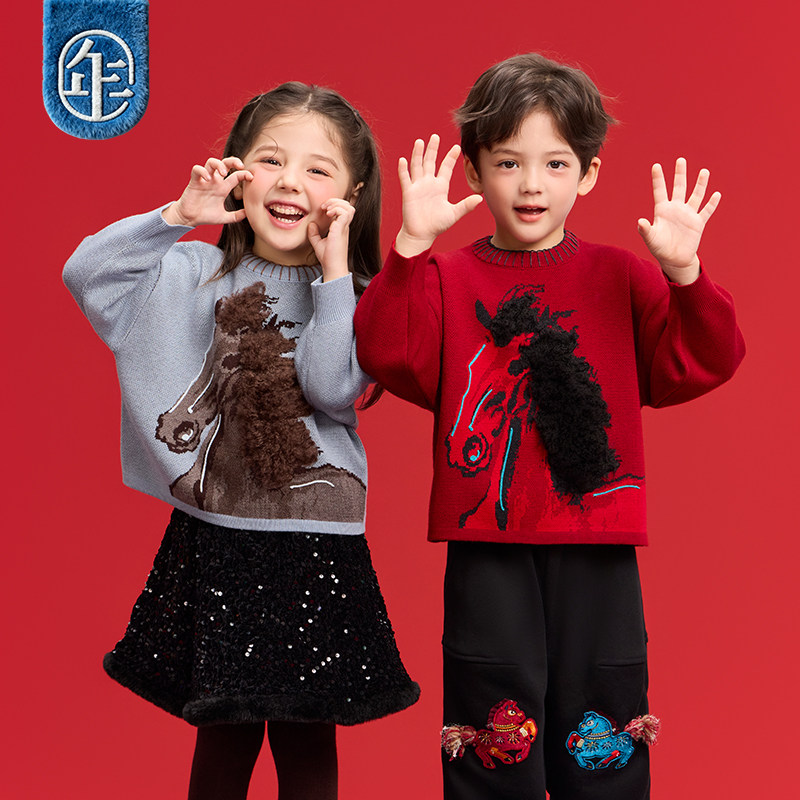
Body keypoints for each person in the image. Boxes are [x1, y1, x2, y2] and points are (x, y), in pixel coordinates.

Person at [353, 53, 744, 799]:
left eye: (555, 163)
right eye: (508, 163)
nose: (531, 185)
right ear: (475, 172)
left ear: (588, 174)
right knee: (490, 718)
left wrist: (686, 275)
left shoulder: (621, 275)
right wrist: (408, 249)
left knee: (604, 716)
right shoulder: (444, 278)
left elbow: (700, 363)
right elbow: (384, 351)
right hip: (486, 542)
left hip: (597, 539)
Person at [63, 82, 419, 800]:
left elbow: (331, 388)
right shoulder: (189, 272)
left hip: (314, 547)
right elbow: (86, 273)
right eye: (271, 160)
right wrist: (175, 217)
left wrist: (332, 276)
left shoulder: (355, 295)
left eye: (317, 169)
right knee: (223, 733)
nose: (291, 182)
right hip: (219, 537)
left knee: (306, 737)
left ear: (351, 194)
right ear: (237, 171)